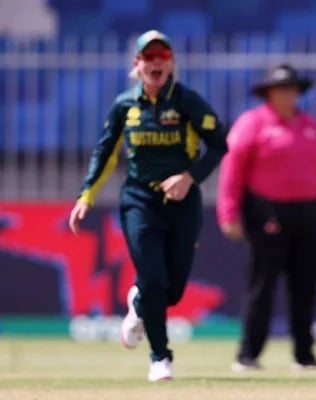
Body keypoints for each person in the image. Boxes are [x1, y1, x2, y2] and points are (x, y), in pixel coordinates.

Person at [68, 30, 228, 382]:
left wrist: (189, 177)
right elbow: (105, 152)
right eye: (149, 57)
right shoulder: (125, 105)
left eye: (162, 56)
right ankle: (160, 357)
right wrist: (86, 196)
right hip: (139, 200)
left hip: (183, 203)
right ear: (137, 65)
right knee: (154, 279)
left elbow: (219, 144)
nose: (156, 63)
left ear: (170, 63)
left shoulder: (187, 101)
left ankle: (139, 303)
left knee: (171, 292)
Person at [217, 64, 316, 371]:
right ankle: (248, 354)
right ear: (269, 92)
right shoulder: (252, 124)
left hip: (309, 213)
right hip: (267, 214)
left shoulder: (310, 125)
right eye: (281, 88)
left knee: (306, 286)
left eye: (292, 88)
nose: (287, 94)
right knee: (262, 285)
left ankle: (304, 354)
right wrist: (229, 213)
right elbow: (232, 171)